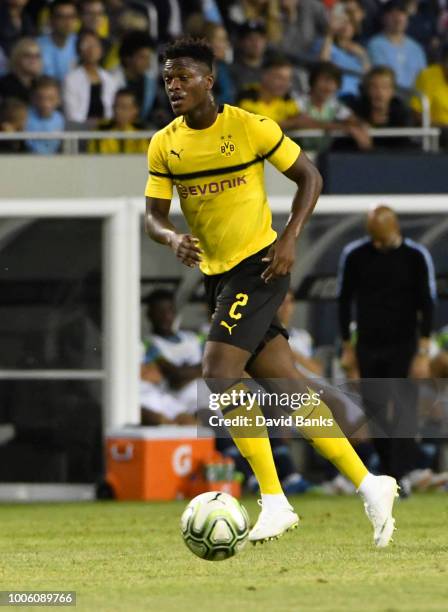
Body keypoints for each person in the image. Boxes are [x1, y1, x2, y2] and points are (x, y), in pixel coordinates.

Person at [145, 37, 399, 546]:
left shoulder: (249, 126)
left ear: (209, 81)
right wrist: (172, 235)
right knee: (287, 387)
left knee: (218, 371)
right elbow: (153, 215)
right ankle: (371, 484)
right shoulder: (165, 143)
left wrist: (290, 239)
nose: (174, 86)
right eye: (168, 78)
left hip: (260, 266)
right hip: (218, 276)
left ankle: (276, 500)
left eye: (184, 77)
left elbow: (309, 177)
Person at [338, 205, 436, 495]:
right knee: (374, 408)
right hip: (368, 343)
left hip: (404, 343)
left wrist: (422, 350)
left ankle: (398, 475)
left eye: (382, 238)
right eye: (374, 238)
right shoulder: (355, 255)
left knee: (404, 408)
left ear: (395, 229)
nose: (378, 244)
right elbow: (344, 301)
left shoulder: (416, 256)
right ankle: (391, 469)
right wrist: (347, 346)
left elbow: (427, 303)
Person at [140, 289, 203, 425]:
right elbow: (176, 377)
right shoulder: (149, 345)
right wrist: (200, 369)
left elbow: (217, 366)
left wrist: (188, 372)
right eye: (160, 311)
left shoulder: (193, 339)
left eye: (169, 310)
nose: (166, 316)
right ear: (150, 315)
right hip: (185, 404)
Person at [281, 61, 371, 151]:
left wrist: (358, 126)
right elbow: (305, 123)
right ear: (313, 81)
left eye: (333, 82)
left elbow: (353, 120)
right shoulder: (298, 102)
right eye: (324, 80)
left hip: (323, 157)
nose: (328, 86)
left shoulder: (335, 106)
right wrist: (343, 127)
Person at [344, 65, 415, 149]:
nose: (379, 93)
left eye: (384, 87)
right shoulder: (355, 109)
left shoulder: (402, 114)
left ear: (392, 91)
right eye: (374, 87)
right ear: (367, 90)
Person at [313, 5, 370, 97]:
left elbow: (368, 77)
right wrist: (329, 35)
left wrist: (362, 55)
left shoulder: (359, 51)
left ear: (355, 28)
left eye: (350, 23)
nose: (346, 26)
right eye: (342, 22)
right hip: (332, 95)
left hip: (354, 97)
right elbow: (322, 65)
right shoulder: (324, 43)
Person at [367, 0, 426, 89]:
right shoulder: (375, 44)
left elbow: (423, 77)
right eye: (393, 14)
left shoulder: (416, 48)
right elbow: (381, 76)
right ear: (384, 18)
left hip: (414, 98)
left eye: (402, 14)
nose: (398, 19)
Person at [63, 29, 117, 124]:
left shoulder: (110, 80)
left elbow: (112, 112)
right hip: (79, 130)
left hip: (105, 130)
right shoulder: (71, 79)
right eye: (86, 45)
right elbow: (71, 114)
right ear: (79, 50)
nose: (91, 49)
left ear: (101, 50)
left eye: (95, 45)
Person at [237, 55, 300, 126]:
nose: (285, 84)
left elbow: (300, 120)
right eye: (279, 78)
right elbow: (254, 125)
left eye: (288, 79)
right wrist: (286, 123)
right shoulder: (247, 95)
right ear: (264, 76)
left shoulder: (287, 99)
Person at [111, 31, 157, 124]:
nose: (147, 63)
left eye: (148, 58)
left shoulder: (151, 82)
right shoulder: (110, 79)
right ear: (128, 58)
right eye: (142, 57)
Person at [87, 88, 147, 154]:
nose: (117, 111)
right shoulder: (101, 129)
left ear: (135, 110)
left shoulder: (145, 132)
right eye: (115, 106)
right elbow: (92, 157)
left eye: (123, 107)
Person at [410, 44, 448, 147]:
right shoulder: (427, 76)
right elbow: (417, 112)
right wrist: (433, 128)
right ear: (443, 62)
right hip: (438, 131)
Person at [37, 0, 78, 83]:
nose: (67, 22)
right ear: (51, 20)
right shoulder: (37, 46)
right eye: (61, 17)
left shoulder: (80, 43)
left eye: (71, 17)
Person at [25, 75, 65, 154]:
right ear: (32, 98)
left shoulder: (60, 119)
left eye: (51, 98)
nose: (45, 104)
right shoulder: (24, 117)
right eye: (40, 98)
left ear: (59, 100)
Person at [230, 21, 268, 97]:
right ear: (241, 42)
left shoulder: (272, 69)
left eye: (259, 38)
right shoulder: (232, 71)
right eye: (250, 39)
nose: (255, 43)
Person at [0, 37, 42, 104]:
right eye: (28, 56)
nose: (33, 61)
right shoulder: (3, 85)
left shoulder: (41, 84)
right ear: (17, 58)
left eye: (37, 56)